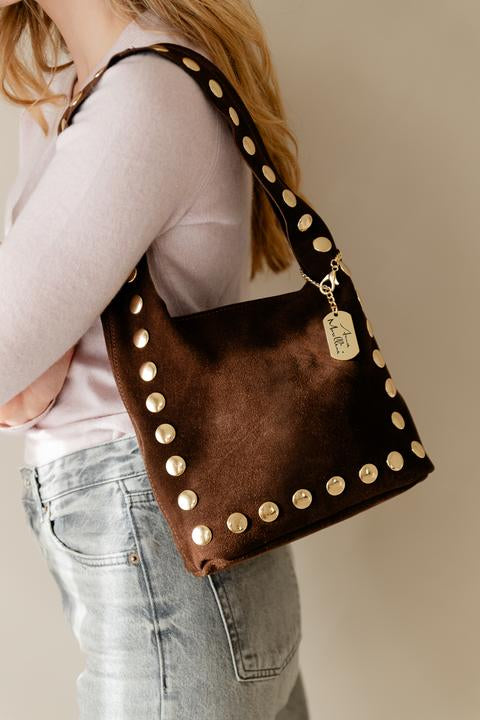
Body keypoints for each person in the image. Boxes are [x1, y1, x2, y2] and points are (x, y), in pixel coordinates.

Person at [0, 1, 310, 718]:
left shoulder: (142, 95)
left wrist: (31, 372)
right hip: (184, 559)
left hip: (166, 554)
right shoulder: (70, 94)